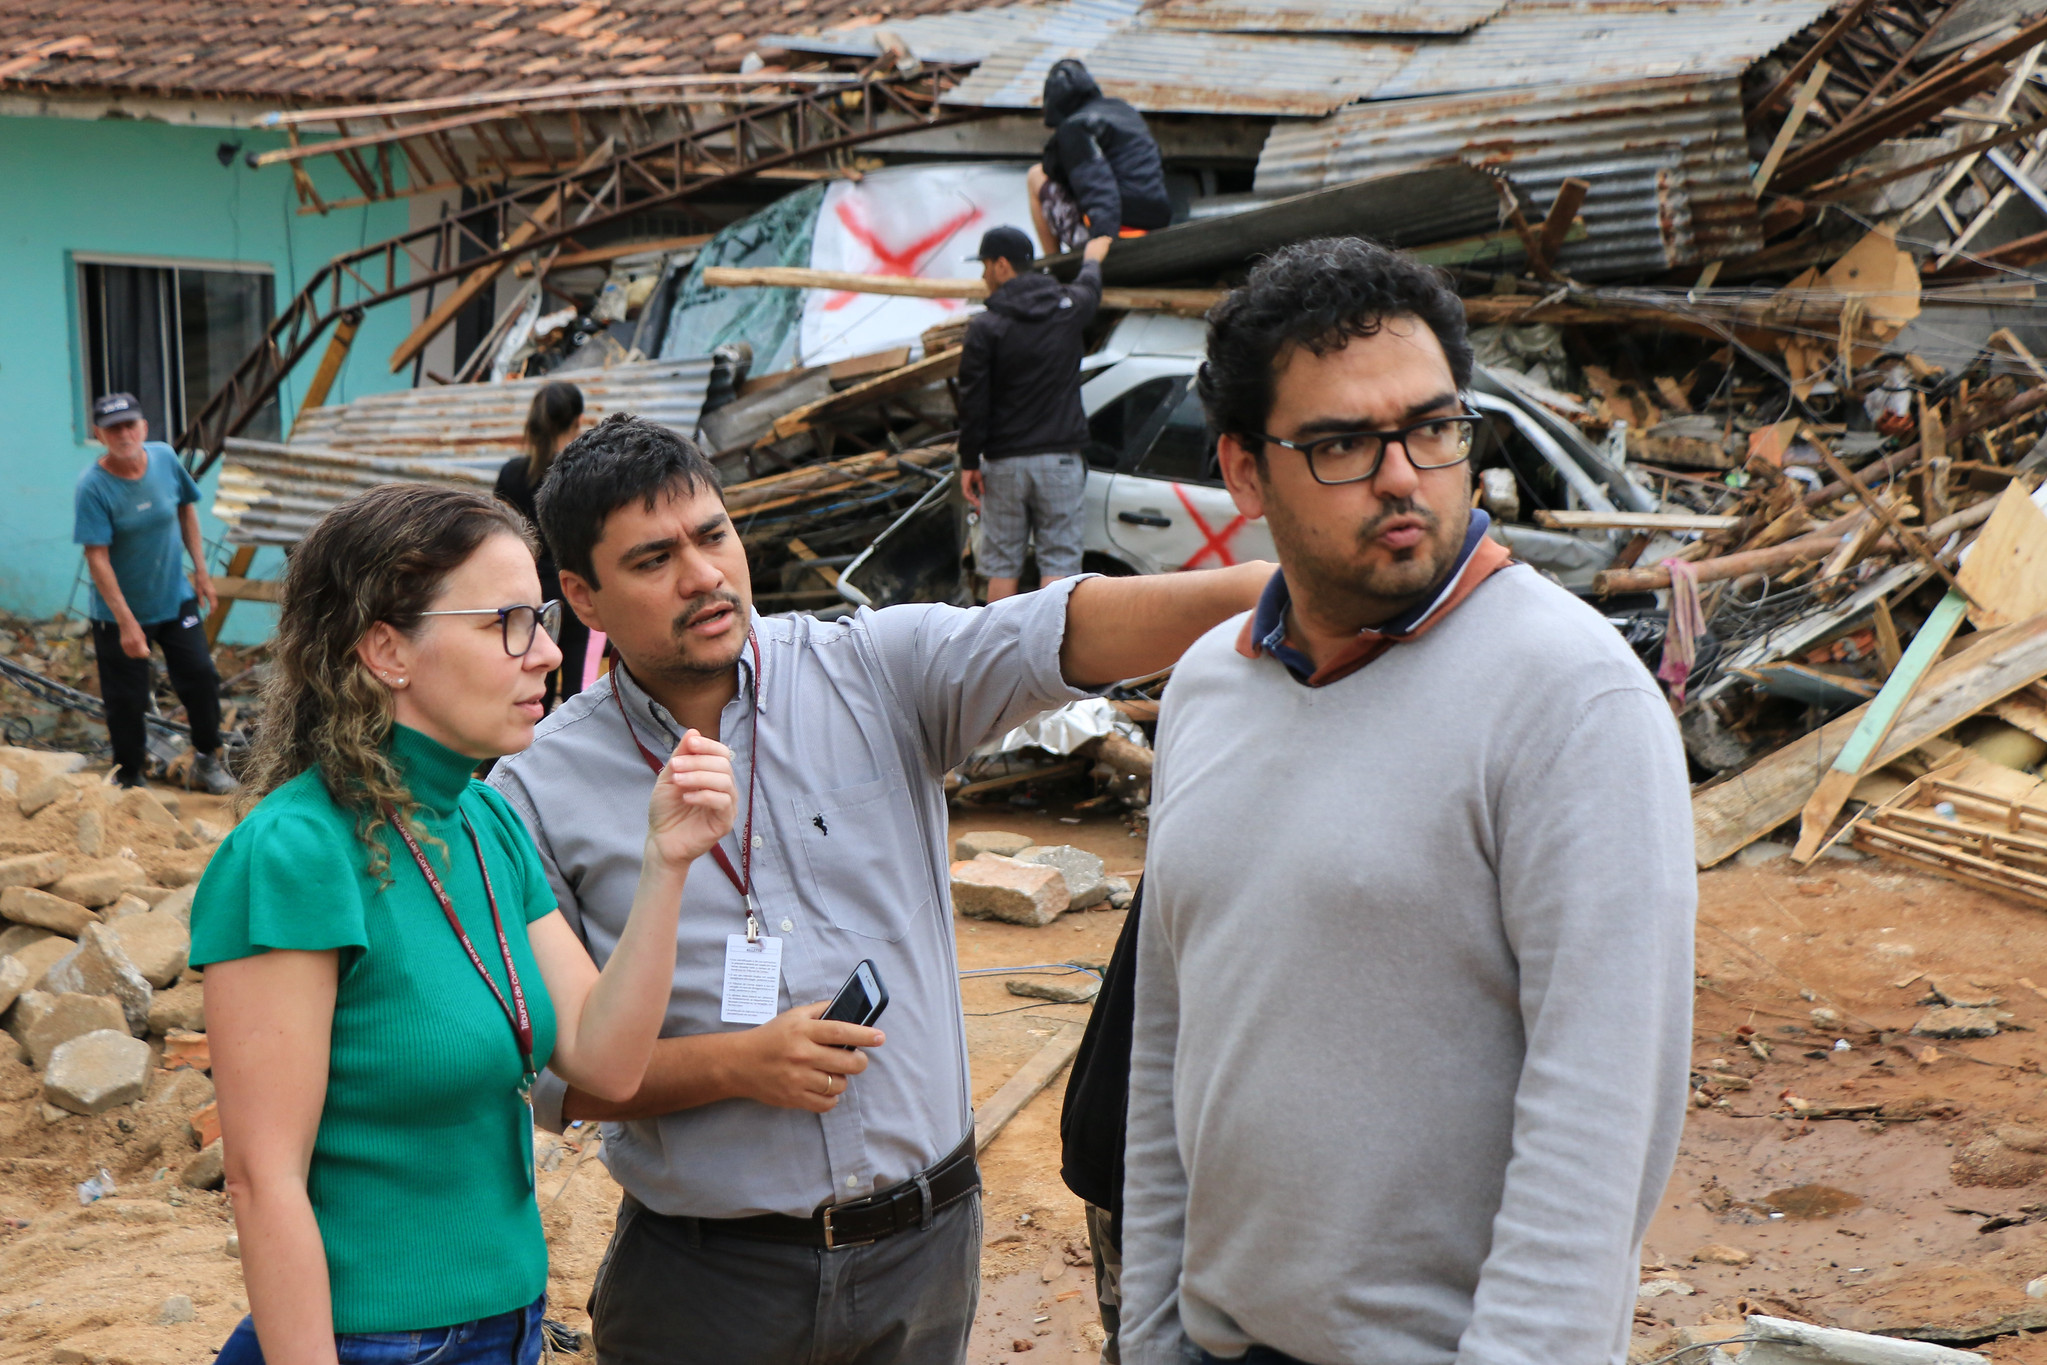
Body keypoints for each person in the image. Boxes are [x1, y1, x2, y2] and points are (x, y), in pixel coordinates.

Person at [485, 413, 1271, 1365]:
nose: (702, 575)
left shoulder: (870, 669)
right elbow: (552, 1077)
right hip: (707, 1281)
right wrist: (740, 1064)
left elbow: (1058, 627)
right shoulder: (534, 791)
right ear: (583, 595)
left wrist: (1281, 587)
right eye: (653, 559)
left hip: (924, 1254)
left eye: (713, 535)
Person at [1118, 238, 1697, 1365]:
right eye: (1340, 444)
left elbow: (1599, 1115)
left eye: (1431, 428)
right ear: (1243, 472)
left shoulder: (1569, 698)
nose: (1401, 476)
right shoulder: (1206, 687)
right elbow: (1166, 1048)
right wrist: (1151, 1333)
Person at [191, 482, 738, 1365]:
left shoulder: (484, 824)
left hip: (510, 1322)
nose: (549, 653)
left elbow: (606, 1059)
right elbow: (264, 1181)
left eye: (543, 618)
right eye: (507, 622)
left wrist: (666, 862)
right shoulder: (294, 852)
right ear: (386, 649)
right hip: (374, 1340)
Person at [73, 391, 235, 793]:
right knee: (126, 699)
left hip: (174, 597)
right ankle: (129, 776)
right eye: (113, 428)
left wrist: (201, 572)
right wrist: (127, 624)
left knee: (200, 675)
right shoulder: (93, 488)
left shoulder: (164, 458)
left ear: (143, 427)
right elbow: (97, 558)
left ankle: (206, 760)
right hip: (118, 613)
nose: (124, 434)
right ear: (100, 434)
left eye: (130, 425)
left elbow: (186, 508)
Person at [958, 226, 1112, 601]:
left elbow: (972, 402)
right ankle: (1049, 658)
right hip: (1060, 461)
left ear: (1002, 265)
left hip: (1005, 464)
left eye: (984, 265)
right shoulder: (1068, 308)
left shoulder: (985, 327)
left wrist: (969, 461)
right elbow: (1090, 286)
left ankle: (1000, 657)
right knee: (1059, 569)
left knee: (1002, 567)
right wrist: (1092, 257)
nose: (982, 276)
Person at [496, 381, 592, 710]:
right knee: (580, 690)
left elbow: (502, 537)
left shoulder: (511, 474)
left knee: (534, 691)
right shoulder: (584, 476)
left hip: (529, 596)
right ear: (578, 421)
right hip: (577, 592)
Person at [1028, 59, 1171, 256]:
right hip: (1155, 228)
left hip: (1114, 234)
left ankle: (1053, 262)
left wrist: (1103, 239)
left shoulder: (1075, 127)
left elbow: (1097, 185)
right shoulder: (1124, 111)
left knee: (1035, 175)